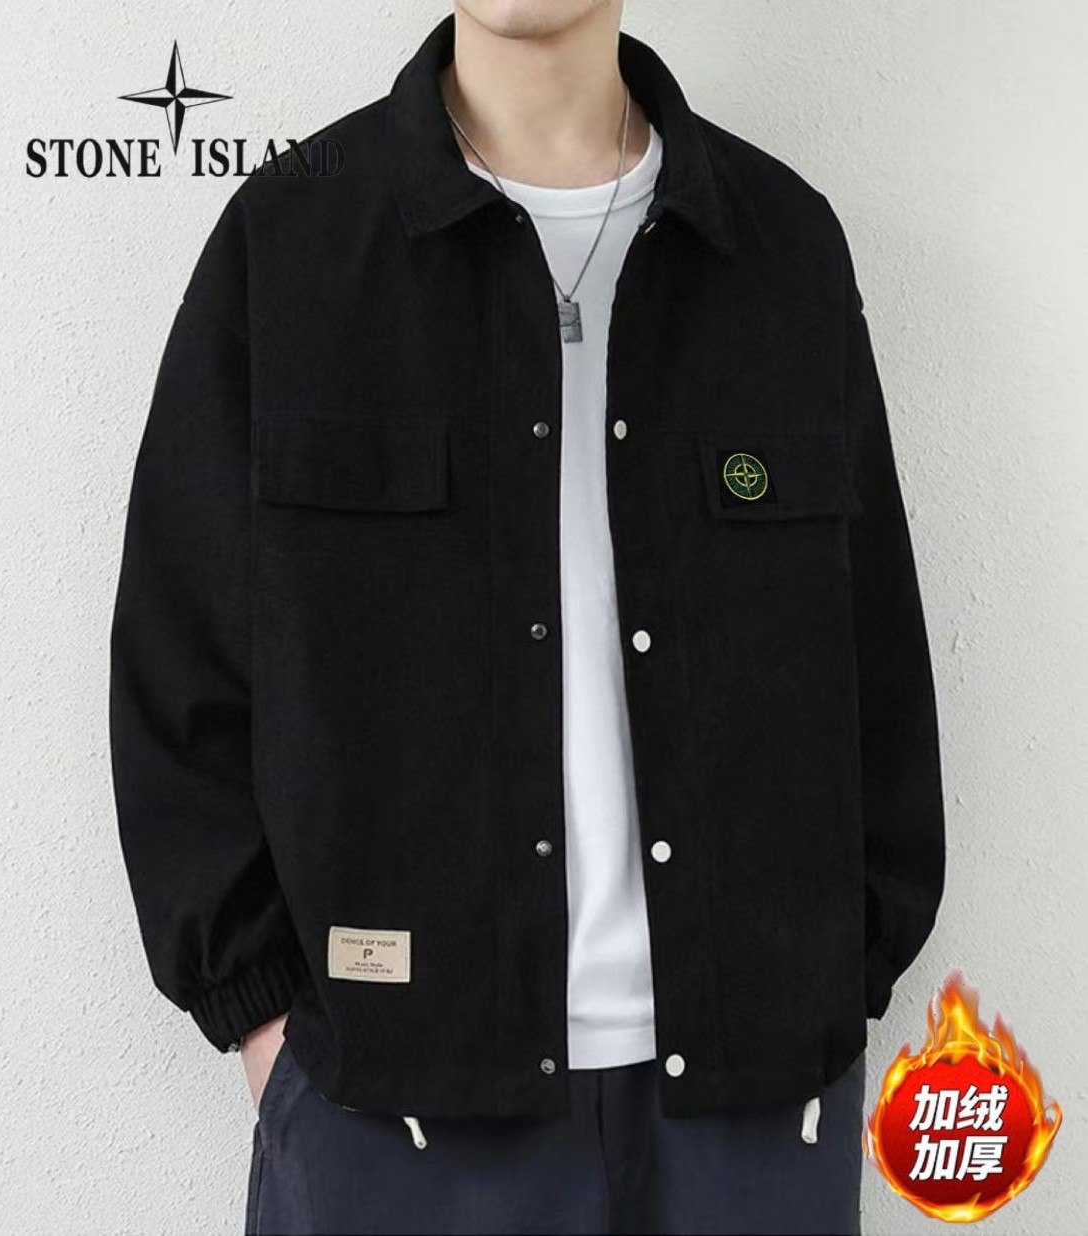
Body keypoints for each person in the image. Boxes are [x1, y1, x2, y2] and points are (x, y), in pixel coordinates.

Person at [108, 4, 946, 1233]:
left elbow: (876, 657)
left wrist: (841, 969)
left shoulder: (781, 244)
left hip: (758, 1109)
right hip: (393, 1106)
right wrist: (268, 1020)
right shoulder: (290, 244)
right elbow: (179, 667)